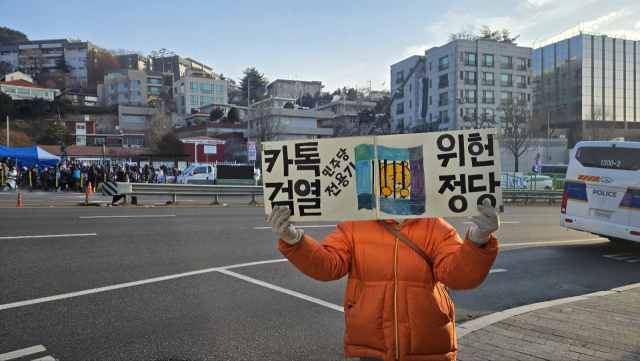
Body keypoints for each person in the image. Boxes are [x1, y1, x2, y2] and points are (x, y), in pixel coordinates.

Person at [268, 200, 500, 361]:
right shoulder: (354, 225)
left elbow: (457, 276)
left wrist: (478, 240)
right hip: (372, 343)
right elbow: (328, 266)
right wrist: (294, 239)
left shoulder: (436, 227)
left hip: (427, 343)